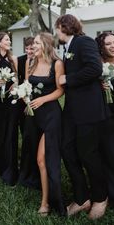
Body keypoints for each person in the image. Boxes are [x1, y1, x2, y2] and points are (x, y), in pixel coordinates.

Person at [55, 14, 109, 220]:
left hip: (89, 109)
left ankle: (100, 197)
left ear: (63, 26)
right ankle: (81, 197)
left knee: (88, 154)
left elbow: (95, 68)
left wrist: (68, 78)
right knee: (66, 148)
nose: (56, 32)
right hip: (72, 109)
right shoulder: (67, 46)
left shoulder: (84, 41)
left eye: (57, 28)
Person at [24, 32, 66, 216]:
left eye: (37, 43)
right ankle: (38, 186)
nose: (34, 46)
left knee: (43, 159)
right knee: (34, 156)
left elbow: (60, 91)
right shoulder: (30, 62)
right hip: (32, 115)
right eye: (33, 43)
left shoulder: (57, 64)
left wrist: (42, 100)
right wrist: (24, 95)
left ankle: (46, 202)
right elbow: (26, 85)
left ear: (47, 45)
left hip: (51, 116)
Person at [96, 32, 114, 213]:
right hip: (110, 116)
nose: (113, 46)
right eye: (108, 44)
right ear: (102, 47)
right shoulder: (99, 66)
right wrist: (100, 86)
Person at [0, 31, 19, 186]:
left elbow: (17, 77)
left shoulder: (13, 59)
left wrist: (14, 83)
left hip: (10, 100)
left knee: (11, 133)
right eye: (7, 39)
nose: (9, 42)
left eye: (9, 40)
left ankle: (10, 166)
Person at [17, 37, 34, 133]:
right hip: (23, 94)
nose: (29, 51)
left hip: (36, 93)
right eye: (27, 48)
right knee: (23, 119)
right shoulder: (20, 60)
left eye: (31, 48)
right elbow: (16, 77)